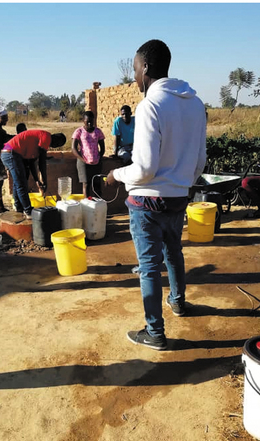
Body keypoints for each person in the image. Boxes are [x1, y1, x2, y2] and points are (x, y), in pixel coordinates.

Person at [106, 39, 207, 351]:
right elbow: (200, 159)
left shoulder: (150, 105)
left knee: (149, 266)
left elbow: (145, 168)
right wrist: (182, 185)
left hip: (147, 202)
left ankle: (155, 332)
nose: (135, 77)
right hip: (178, 198)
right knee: (173, 252)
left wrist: (115, 175)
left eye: (135, 70)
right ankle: (178, 302)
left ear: (146, 67)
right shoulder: (195, 103)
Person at [0, 129, 66, 218]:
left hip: (9, 153)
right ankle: (28, 211)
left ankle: (19, 208)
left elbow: (32, 163)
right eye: (57, 144)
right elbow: (41, 163)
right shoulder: (46, 137)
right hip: (11, 153)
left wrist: (37, 181)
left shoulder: (38, 142)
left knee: (18, 182)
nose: (55, 146)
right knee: (21, 183)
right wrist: (45, 182)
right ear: (56, 139)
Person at [71, 111, 106, 197]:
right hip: (83, 162)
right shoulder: (79, 131)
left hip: (96, 162)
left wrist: (98, 157)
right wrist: (83, 159)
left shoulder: (98, 131)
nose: (90, 123)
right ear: (83, 121)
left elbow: (102, 147)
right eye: (87, 121)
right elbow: (73, 148)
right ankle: (88, 205)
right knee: (86, 184)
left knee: (97, 184)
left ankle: (98, 205)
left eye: (91, 121)